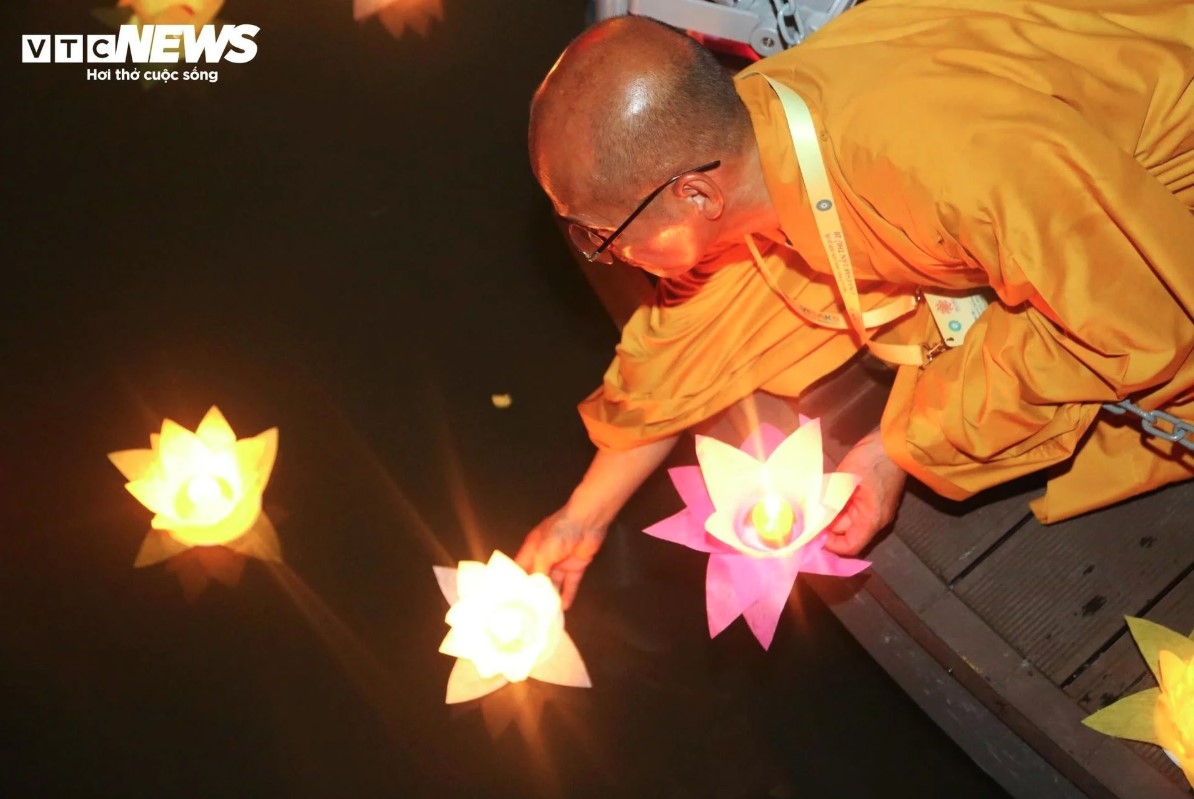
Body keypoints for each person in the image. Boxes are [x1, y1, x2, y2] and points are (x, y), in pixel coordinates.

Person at [516, 0, 1194, 608]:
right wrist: (583, 514)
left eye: (604, 236)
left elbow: (1128, 319)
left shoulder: (944, 165)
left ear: (696, 196)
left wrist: (899, 447)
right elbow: (695, 333)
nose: (608, 255)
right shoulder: (759, 126)